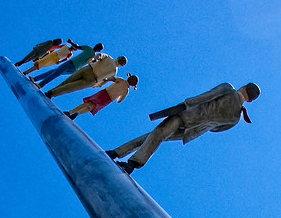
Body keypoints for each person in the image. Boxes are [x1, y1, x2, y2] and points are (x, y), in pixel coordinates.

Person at [106, 82, 261, 173]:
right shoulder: (236, 118)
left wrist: (185, 104)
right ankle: (118, 152)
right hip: (193, 131)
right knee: (155, 136)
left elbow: (207, 96)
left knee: (157, 134)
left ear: (244, 86)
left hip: (186, 115)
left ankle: (132, 164)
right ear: (251, 100)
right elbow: (216, 129)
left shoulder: (229, 89)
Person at [45, 54, 128, 98]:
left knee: (68, 81)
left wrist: (93, 59)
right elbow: (106, 80)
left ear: (118, 58)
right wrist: (98, 85)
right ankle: (52, 93)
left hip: (88, 69)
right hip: (92, 79)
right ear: (121, 65)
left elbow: (99, 56)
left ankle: (51, 91)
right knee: (71, 87)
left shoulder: (109, 58)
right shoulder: (114, 72)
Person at [66, 73, 139, 119]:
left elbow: (112, 78)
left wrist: (105, 80)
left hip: (105, 92)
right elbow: (119, 101)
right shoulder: (126, 91)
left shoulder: (121, 80)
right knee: (91, 107)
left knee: (88, 103)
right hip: (108, 99)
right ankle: (77, 113)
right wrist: (118, 96)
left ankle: (71, 112)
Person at [33, 42, 103, 87]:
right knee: (55, 72)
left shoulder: (88, 48)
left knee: (55, 73)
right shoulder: (94, 57)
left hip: (72, 63)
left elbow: (76, 47)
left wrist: (71, 42)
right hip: (75, 69)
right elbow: (93, 64)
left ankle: (40, 84)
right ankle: (36, 79)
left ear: (96, 45)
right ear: (99, 51)